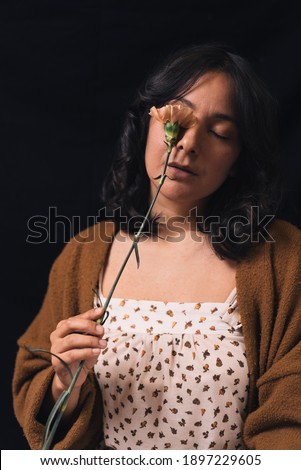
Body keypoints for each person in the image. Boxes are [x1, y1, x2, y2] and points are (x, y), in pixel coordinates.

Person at [13, 43, 301, 450]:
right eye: (174, 120)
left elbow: (291, 418)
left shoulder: (284, 259)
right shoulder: (83, 254)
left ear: (238, 157)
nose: (186, 143)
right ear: (148, 124)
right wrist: (63, 382)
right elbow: (36, 391)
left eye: (219, 132)